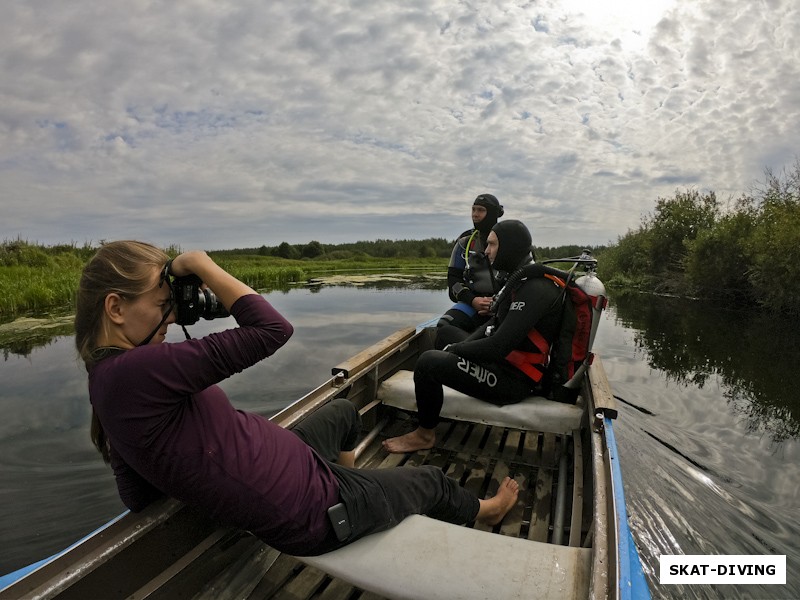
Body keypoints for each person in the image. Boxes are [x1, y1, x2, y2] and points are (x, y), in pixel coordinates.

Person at [75, 241, 518, 557]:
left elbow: (136, 496)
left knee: (345, 411)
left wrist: (197, 468)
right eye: (161, 306)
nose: (170, 318)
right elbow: (272, 329)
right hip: (314, 513)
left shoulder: (108, 384)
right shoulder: (133, 372)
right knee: (432, 482)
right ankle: (488, 511)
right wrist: (201, 264)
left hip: (297, 469)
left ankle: (364, 493)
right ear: (115, 309)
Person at [384, 220, 563, 454]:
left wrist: (454, 352)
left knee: (428, 363)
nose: (486, 251)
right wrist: (458, 345)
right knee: (445, 332)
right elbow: (492, 323)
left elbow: (498, 346)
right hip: (501, 364)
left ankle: (424, 434)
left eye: (492, 245)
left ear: (509, 247)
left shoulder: (536, 289)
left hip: (512, 381)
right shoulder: (520, 280)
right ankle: (439, 393)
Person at [436, 193, 505, 339]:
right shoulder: (464, 243)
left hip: (504, 305)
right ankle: (464, 358)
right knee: (445, 326)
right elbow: (453, 280)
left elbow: (524, 278)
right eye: (473, 210)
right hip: (473, 303)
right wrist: (473, 301)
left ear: (493, 213)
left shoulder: (509, 240)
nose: (475, 214)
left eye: (480, 210)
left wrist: (499, 302)